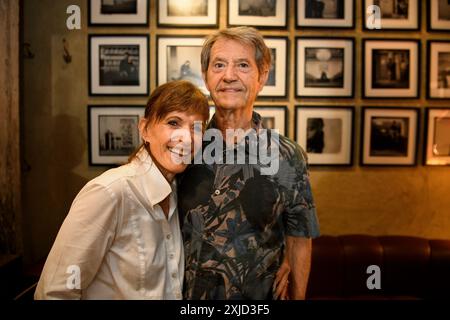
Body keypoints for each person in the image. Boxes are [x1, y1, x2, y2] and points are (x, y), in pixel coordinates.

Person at [178, 27, 320, 300]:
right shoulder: (183, 149)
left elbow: (300, 237)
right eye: (219, 65)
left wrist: (297, 287)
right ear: (206, 76)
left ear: (262, 76)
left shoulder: (288, 156)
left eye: (243, 65)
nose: (229, 76)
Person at [34, 80, 209, 299]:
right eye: (173, 123)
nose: (186, 138)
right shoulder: (109, 192)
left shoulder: (176, 193)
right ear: (145, 129)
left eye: (197, 128)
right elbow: (55, 291)